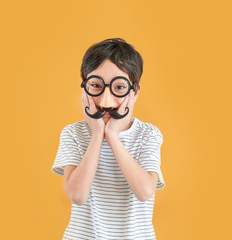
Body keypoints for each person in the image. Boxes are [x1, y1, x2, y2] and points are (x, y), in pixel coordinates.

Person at [52, 38, 166, 240]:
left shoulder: (148, 134)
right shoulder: (72, 134)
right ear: (84, 89)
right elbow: (77, 196)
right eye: (96, 85)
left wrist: (112, 135)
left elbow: (145, 191)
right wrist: (97, 134)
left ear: (135, 92)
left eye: (119, 88)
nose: (106, 100)